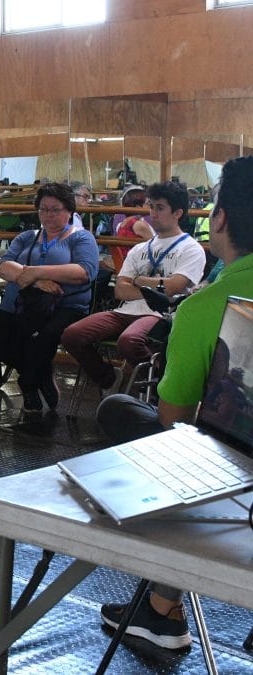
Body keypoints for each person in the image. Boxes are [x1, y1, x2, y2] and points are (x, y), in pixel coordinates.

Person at [93, 154, 253, 651]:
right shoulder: (153, 253)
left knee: (135, 421)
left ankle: (162, 609)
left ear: (218, 217)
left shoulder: (208, 305)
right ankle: (160, 608)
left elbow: (174, 423)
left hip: (238, 477)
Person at [62, 181, 205, 396]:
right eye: (151, 207)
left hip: (162, 313)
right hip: (126, 310)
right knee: (72, 335)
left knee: (129, 341)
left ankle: (162, 383)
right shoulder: (140, 248)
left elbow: (175, 287)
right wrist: (156, 286)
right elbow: (120, 290)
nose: (153, 213)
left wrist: (138, 280)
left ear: (177, 213)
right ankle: (108, 378)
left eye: (159, 208)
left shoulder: (191, 248)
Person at [0, 182, 98, 412]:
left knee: (43, 336)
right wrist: (37, 280)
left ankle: (28, 385)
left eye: (56, 209)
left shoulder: (81, 238)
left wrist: (37, 272)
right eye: (43, 209)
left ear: (69, 211)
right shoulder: (27, 236)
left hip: (64, 306)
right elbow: (4, 266)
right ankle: (41, 374)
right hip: (21, 302)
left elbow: (85, 272)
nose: (49, 215)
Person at [107, 185, 153, 273]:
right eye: (147, 203)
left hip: (127, 263)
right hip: (138, 266)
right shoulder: (139, 225)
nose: (150, 207)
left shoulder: (123, 223)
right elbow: (156, 248)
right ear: (138, 207)